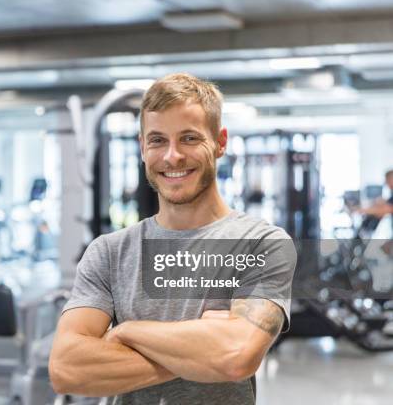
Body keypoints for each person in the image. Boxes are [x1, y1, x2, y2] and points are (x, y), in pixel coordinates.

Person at [49, 73, 297, 404]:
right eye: (157, 140)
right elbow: (66, 370)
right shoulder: (109, 252)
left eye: (190, 138)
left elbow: (236, 355)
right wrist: (202, 352)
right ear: (142, 147)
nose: (172, 156)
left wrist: (125, 332)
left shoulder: (262, 244)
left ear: (220, 142)